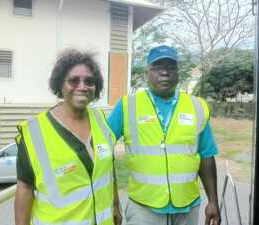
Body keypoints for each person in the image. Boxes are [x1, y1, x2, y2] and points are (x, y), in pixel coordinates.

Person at [107, 45, 221, 225]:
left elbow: (207, 156)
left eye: (170, 67)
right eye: (157, 67)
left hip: (187, 208)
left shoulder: (197, 107)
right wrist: (112, 203)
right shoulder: (127, 106)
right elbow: (102, 150)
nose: (165, 73)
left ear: (178, 73)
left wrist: (213, 200)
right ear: (147, 72)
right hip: (143, 209)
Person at [14, 49, 122, 225]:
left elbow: (109, 170)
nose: (82, 86)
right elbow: (24, 188)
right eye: (74, 80)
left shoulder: (101, 121)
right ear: (60, 85)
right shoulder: (35, 132)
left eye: (89, 81)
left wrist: (115, 205)